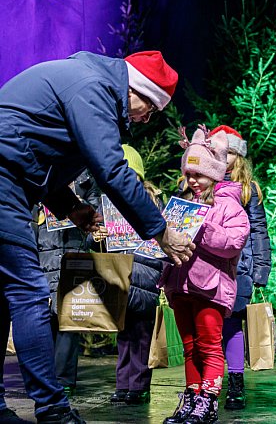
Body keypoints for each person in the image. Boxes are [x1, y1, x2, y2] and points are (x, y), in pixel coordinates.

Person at [0, 50, 195, 424]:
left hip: (11, 176)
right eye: (149, 109)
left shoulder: (86, 80)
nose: (145, 119)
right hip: (4, 178)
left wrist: (72, 205)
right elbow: (111, 168)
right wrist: (161, 231)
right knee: (29, 293)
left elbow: (41, 147)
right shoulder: (93, 88)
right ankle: (54, 410)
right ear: (136, 90)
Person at [160, 127, 250, 424]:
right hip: (180, 284)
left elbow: (233, 243)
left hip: (210, 287)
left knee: (209, 345)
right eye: (188, 174)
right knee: (189, 345)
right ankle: (191, 395)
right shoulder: (181, 203)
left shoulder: (229, 205)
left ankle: (208, 400)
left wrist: (203, 225)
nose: (192, 181)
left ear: (214, 173)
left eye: (198, 174)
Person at [209, 125, 271, 410]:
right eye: (221, 151)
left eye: (231, 152)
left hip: (238, 268)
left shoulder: (248, 189)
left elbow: (258, 229)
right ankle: (207, 384)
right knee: (208, 325)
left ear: (239, 156)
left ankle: (235, 384)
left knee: (233, 325)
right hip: (207, 264)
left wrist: (261, 269)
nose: (225, 156)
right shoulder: (201, 182)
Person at [36, 169, 105, 398]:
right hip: (46, 253)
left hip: (75, 253)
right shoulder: (46, 174)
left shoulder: (87, 180)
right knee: (45, 319)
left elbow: (97, 217)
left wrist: (89, 234)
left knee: (70, 317)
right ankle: (45, 377)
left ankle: (64, 380)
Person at [108, 145, 163, 405]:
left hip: (144, 274)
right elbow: (91, 240)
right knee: (123, 333)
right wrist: (95, 236)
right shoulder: (109, 202)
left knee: (141, 335)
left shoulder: (151, 199)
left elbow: (163, 236)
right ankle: (122, 384)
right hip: (118, 275)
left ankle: (138, 386)